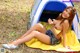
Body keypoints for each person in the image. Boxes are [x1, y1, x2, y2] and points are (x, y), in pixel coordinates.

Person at [2, 6, 76, 49]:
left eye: (68, 14)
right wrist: (51, 22)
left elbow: (64, 34)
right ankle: (20, 39)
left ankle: (15, 44)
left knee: (35, 33)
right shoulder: (60, 15)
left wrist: (65, 46)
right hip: (49, 33)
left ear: (70, 17)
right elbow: (55, 24)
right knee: (38, 25)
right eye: (66, 11)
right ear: (64, 9)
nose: (66, 13)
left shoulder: (66, 22)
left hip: (53, 39)